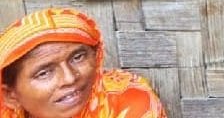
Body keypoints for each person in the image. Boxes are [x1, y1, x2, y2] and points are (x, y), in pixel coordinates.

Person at [0, 7, 166, 118]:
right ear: (10, 95)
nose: (70, 78)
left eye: (77, 57)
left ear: (96, 56)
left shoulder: (128, 101)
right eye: (44, 73)